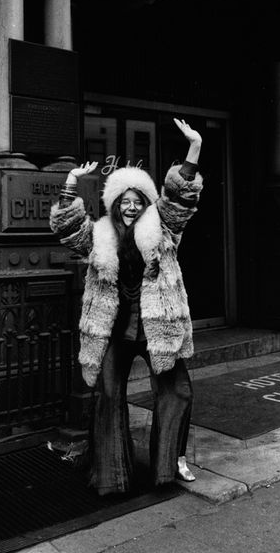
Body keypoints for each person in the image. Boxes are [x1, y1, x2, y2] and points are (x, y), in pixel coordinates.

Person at [49, 118, 203, 495]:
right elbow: (67, 228)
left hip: (157, 329)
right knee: (107, 395)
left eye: (138, 202)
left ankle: (168, 464)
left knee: (178, 391)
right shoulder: (99, 235)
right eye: (125, 202)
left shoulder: (163, 227)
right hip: (115, 329)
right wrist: (70, 182)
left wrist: (194, 147)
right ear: (115, 205)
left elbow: (181, 196)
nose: (131, 208)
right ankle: (111, 473)